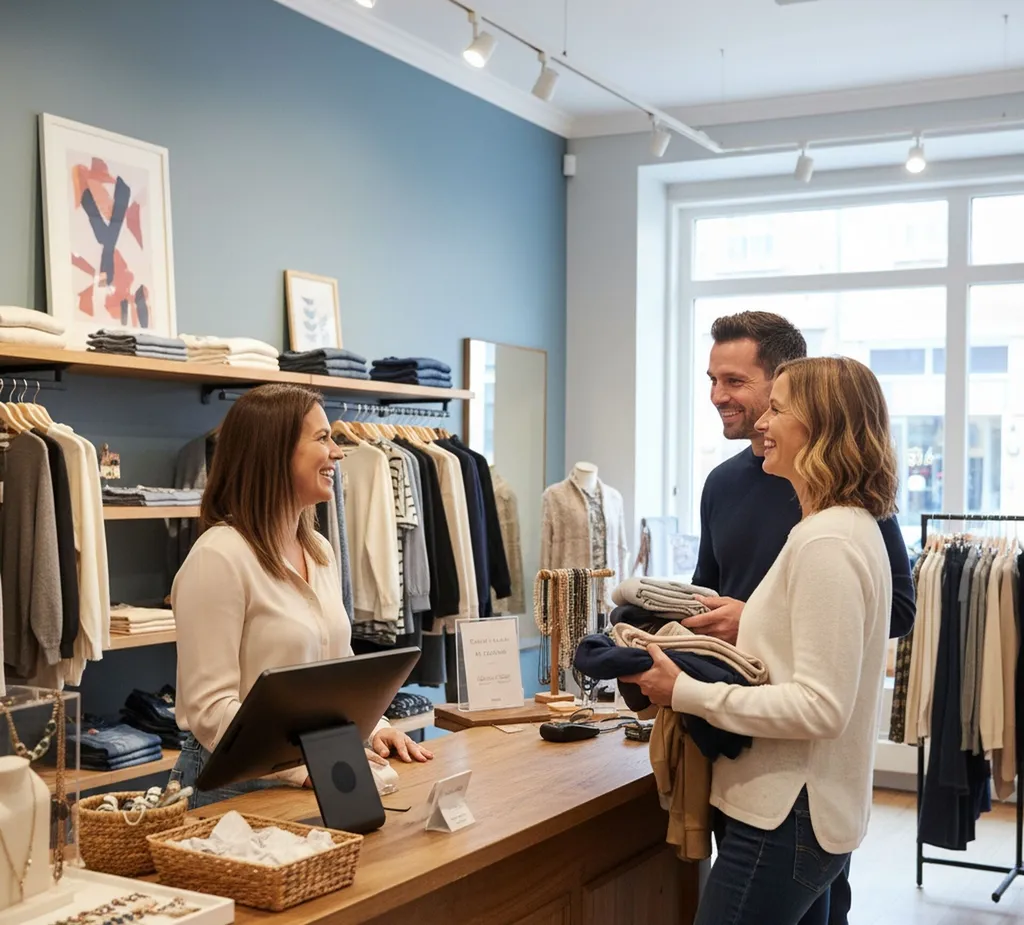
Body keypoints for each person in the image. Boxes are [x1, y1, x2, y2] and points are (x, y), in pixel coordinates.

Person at [626, 356, 898, 925]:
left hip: (786, 814)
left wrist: (686, 692)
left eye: (777, 409)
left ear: (818, 427)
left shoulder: (828, 542)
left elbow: (820, 706)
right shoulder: (838, 528)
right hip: (798, 810)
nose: (762, 424)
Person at [685, 311, 915, 925]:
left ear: (784, 388)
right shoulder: (724, 485)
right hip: (746, 754)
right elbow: (703, 593)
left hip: (799, 783)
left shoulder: (839, 524)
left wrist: (759, 622)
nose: (721, 398)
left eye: (736, 382)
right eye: (712, 380)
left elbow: (889, 613)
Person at [170, 384, 431, 808]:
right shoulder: (219, 557)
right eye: (322, 437)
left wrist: (375, 726)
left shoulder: (319, 550)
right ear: (274, 451)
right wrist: (301, 762)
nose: (339, 452)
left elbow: (337, 673)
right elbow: (209, 710)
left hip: (312, 774)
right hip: (235, 786)